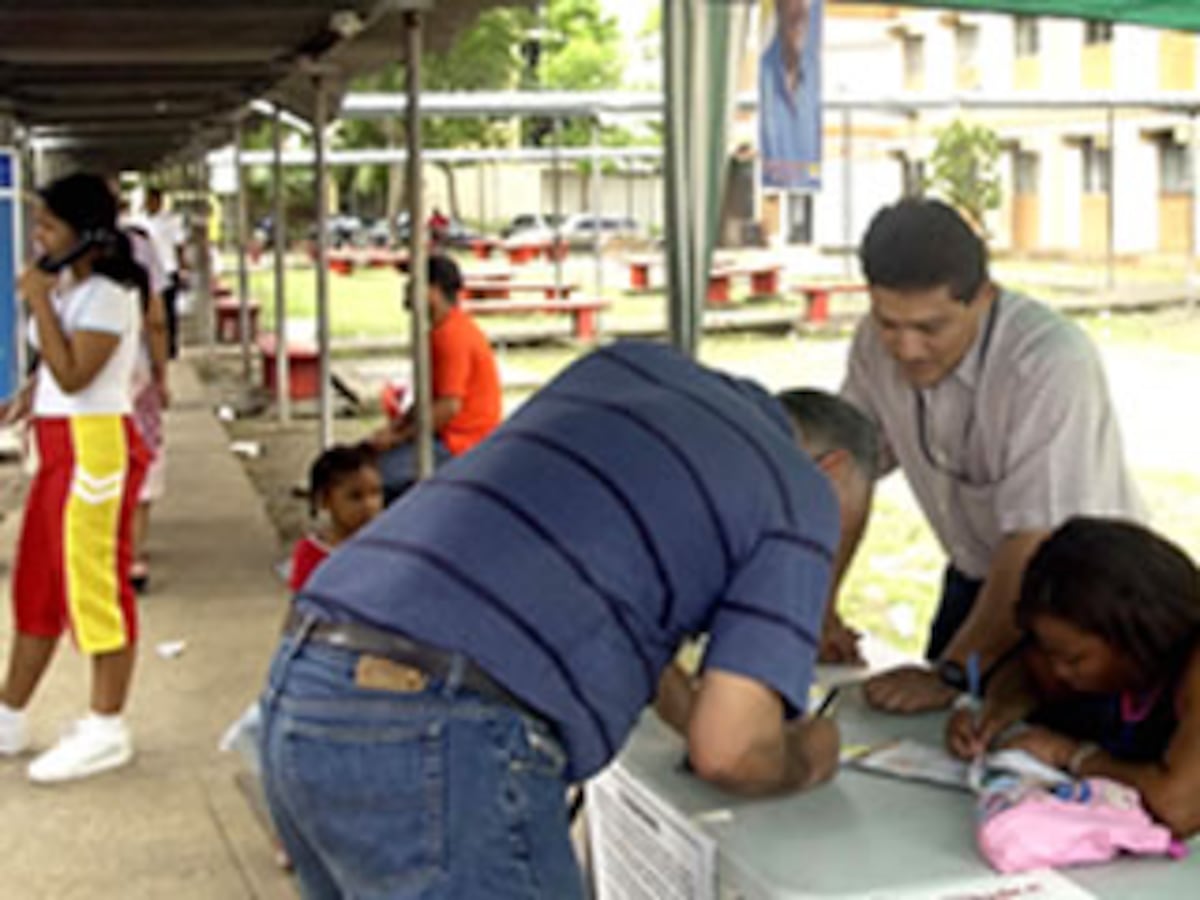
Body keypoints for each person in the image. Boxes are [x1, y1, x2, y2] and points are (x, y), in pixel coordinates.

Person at [258, 341, 877, 897]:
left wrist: (691, 707)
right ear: (832, 472)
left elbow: (602, 579)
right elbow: (730, 754)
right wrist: (809, 753)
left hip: (306, 679)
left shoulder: (629, 366)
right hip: (440, 726)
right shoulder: (797, 486)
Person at [836, 197, 1144, 713]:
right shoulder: (873, 344)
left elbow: (1034, 538)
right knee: (938, 748)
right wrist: (816, 608)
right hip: (979, 578)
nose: (906, 348)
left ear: (983, 298)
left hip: (1084, 607)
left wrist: (953, 671)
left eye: (931, 328)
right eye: (890, 323)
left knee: (1062, 769)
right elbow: (844, 469)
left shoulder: (1048, 360)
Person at [0, 173, 149, 783]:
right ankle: (10, 711)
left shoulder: (110, 296)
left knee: (94, 584)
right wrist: (26, 397)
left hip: (95, 449)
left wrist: (35, 299)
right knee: (38, 578)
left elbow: (77, 375)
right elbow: (54, 374)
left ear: (84, 234)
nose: (37, 236)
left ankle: (107, 723)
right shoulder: (71, 289)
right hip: (59, 446)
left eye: (49, 225)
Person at [946, 517, 1200, 838]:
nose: (1058, 671)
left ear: (1136, 636)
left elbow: (1176, 808)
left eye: (1074, 659)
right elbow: (1026, 670)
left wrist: (1071, 755)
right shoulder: (1091, 660)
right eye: (1050, 654)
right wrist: (996, 711)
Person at [368, 254, 501, 503]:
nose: (406, 289)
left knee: (370, 481)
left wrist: (398, 438)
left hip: (461, 443)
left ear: (433, 290)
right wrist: (395, 427)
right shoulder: (445, 329)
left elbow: (447, 407)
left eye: (413, 282)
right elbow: (429, 398)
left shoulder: (451, 335)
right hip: (448, 436)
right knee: (362, 461)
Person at [121, 201, 172, 592]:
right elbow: (155, 320)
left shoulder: (54, 256)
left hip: (78, 385)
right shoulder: (136, 245)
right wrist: (161, 373)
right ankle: (132, 557)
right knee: (142, 459)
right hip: (132, 371)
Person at [289, 442, 384, 592]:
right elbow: (304, 604)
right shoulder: (311, 553)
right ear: (325, 500)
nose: (369, 505)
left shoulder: (386, 547)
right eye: (355, 497)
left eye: (376, 493)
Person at [760, 0, 822, 190]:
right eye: (792, 20)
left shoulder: (813, 71)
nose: (798, 29)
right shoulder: (765, 72)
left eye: (802, 19)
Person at [139, 187, 186, 358]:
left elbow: (179, 245)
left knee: (169, 311)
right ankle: (151, 346)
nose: (150, 204)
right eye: (148, 200)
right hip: (147, 271)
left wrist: (182, 268)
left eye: (153, 200)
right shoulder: (140, 221)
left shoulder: (171, 221)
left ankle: (171, 347)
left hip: (168, 268)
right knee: (149, 309)